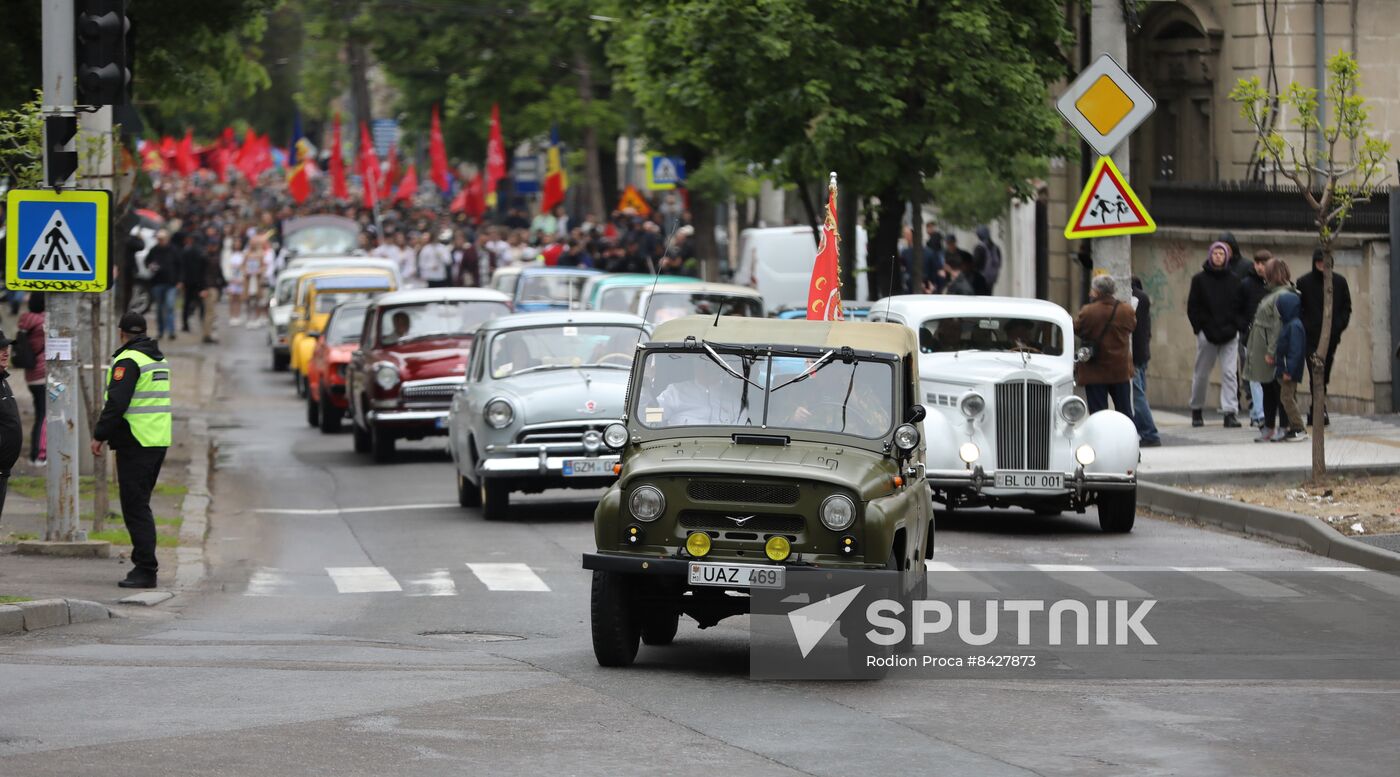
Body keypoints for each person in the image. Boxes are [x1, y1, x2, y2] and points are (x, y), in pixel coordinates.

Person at [92, 312, 172, 589]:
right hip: (157, 440)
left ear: (121, 332)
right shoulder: (157, 358)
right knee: (141, 505)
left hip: (136, 442)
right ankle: (144, 564)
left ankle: (145, 569)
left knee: (136, 507)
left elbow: (117, 403)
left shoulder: (128, 360)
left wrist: (99, 435)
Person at [1185, 241, 1243, 428]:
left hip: (1230, 334)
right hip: (1207, 333)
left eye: (1222, 253)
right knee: (1201, 373)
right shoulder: (1199, 280)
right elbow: (1193, 307)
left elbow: (1239, 307)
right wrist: (1200, 328)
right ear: (1210, 255)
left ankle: (1230, 412)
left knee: (1229, 374)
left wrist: (1236, 326)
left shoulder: (1235, 280)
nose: (1218, 256)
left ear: (1227, 257)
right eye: (1215, 253)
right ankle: (1196, 409)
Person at [1243, 258, 1301, 443]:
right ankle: (1269, 426)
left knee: (1277, 389)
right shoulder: (1275, 294)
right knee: (1268, 388)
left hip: (1270, 351)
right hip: (1263, 348)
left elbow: (1277, 325)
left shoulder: (1280, 296)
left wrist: (1270, 351)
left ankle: (1283, 426)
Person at [1296, 247, 1352, 426]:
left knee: (1324, 373)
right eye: (1318, 261)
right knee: (1315, 373)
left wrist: (1337, 327)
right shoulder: (1303, 282)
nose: (1321, 265)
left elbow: (1346, 308)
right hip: (1311, 337)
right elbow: (1299, 308)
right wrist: (1307, 327)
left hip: (1331, 336)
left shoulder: (1340, 282)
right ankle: (1318, 409)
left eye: (1324, 262)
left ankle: (1319, 407)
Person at [1074, 274, 1136, 415]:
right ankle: (1127, 436)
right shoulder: (1126, 310)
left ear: (1096, 292)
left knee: (1098, 414)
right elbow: (1132, 327)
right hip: (1120, 370)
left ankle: (1100, 437)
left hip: (1095, 371)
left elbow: (1077, 328)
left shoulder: (1088, 311)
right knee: (1125, 412)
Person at [1238, 250, 1273, 428]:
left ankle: (1259, 412)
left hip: (1270, 337)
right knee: (1254, 377)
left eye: (1263, 263)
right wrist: (1244, 329)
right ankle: (1260, 414)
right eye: (1257, 263)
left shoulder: (1274, 284)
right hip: (1250, 337)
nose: (1260, 267)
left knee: (1266, 378)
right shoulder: (1246, 284)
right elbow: (1238, 309)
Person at [1129, 277, 1160, 447]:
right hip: (1141, 354)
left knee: (1137, 395)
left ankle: (1149, 432)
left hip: (1134, 355)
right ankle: (1145, 431)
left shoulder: (1133, 299)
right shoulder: (1142, 298)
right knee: (1139, 393)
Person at [1273, 293, 1309, 442]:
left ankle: (1298, 427)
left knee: (1286, 397)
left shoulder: (1294, 326)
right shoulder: (1291, 324)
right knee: (1288, 397)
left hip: (1290, 370)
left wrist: (1288, 370)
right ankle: (1295, 426)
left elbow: (1294, 351)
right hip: (1287, 368)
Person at [17, 294, 46, 464]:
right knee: (44, 416)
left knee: (39, 415)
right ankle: (39, 455)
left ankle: (35, 453)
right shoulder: (43, 323)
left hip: (31, 376)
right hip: (43, 374)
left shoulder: (25, 321)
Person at [145, 230, 181, 340]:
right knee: (159, 308)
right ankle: (160, 331)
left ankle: (171, 331)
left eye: (162, 239)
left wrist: (179, 281)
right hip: (158, 282)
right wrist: (151, 266)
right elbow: (147, 261)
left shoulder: (174, 250)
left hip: (171, 283)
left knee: (170, 306)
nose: (160, 241)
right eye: (159, 239)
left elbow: (180, 265)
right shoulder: (154, 250)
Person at [0, 330, 21, 518]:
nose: (5, 352)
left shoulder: (3, 381)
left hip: (3, 470)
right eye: (0, 349)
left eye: (6, 347)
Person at [973, 226, 1003, 293]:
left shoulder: (979, 248)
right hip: (992, 279)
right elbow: (999, 263)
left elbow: (975, 263)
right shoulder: (996, 248)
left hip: (981, 279)